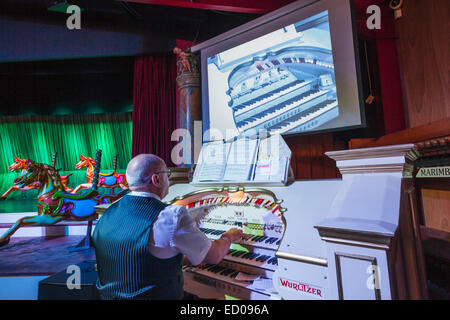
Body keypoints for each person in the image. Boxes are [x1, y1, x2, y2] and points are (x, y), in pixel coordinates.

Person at [92, 154, 247, 300]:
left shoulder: (107, 213)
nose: (169, 179)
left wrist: (186, 257)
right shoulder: (170, 215)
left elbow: (133, 258)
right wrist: (229, 235)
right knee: (219, 298)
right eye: (168, 174)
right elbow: (214, 256)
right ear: (156, 179)